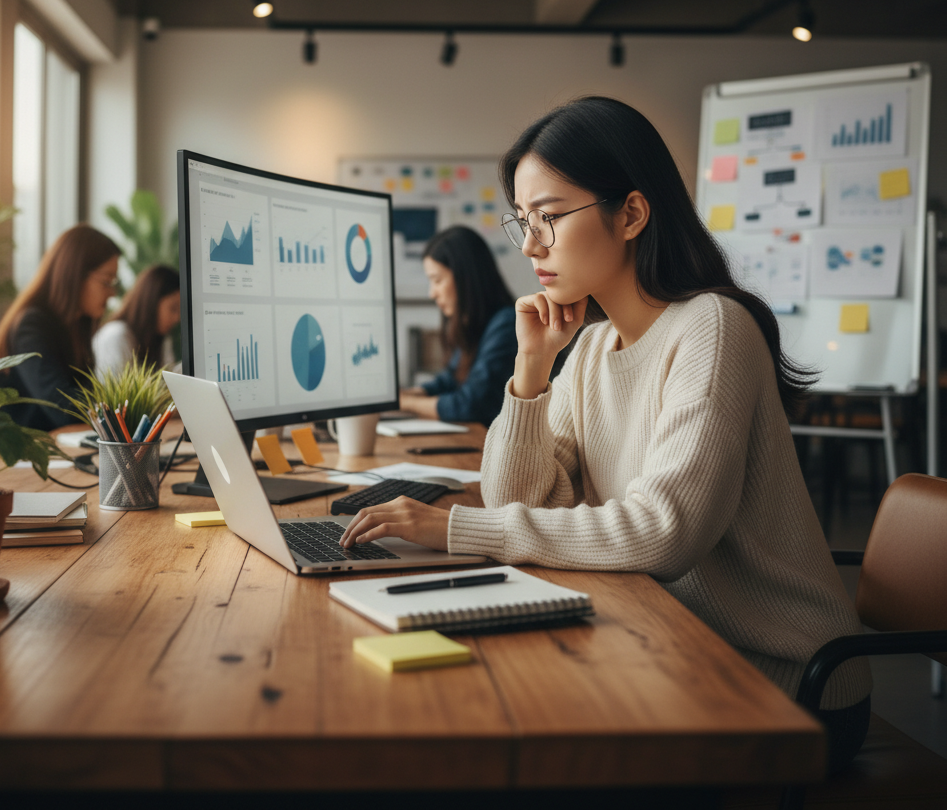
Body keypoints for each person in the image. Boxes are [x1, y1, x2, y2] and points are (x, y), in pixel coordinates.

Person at [342, 97, 871, 776]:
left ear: (631, 214)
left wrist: (454, 528)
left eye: (550, 218)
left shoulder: (711, 328)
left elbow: (665, 532)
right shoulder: (590, 350)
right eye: (523, 222)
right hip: (667, 643)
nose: (531, 245)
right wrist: (531, 371)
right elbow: (519, 496)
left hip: (783, 681)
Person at [0, 225, 122, 431]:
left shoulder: (77, 328)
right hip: (13, 453)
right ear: (75, 275)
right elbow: (62, 408)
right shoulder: (31, 325)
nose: (112, 292)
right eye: (106, 281)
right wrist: (131, 405)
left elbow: (86, 399)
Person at [399, 225, 516, 427]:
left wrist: (406, 403)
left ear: (466, 278)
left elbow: (471, 404)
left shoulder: (507, 324)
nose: (432, 293)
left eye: (437, 280)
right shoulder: (475, 323)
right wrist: (405, 394)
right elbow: (449, 380)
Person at [93, 264, 181, 376]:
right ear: (151, 301)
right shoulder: (116, 336)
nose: (177, 318)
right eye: (173, 308)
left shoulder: (162, 340)